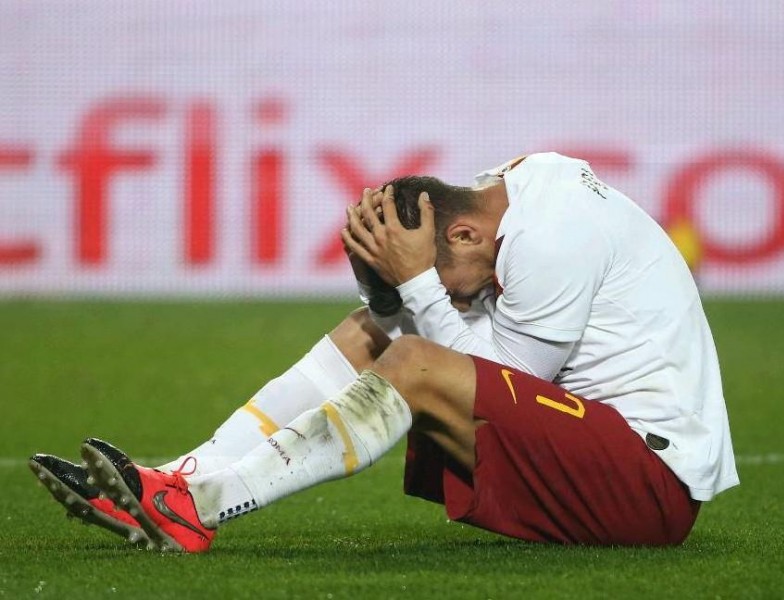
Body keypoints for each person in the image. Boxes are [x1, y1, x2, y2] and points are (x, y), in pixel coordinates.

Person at [31, 152, 738, 552]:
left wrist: (423, 290)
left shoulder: (552, 238)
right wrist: (407, 295)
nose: (459, 299)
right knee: (375, 331)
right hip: (586, 449)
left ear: (459, 235)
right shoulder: (502, 200)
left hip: (651, 484)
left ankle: (203, 508)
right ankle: (175, 483)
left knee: (413, 360)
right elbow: (462, 356)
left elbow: (500, 385)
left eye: (452, 282)